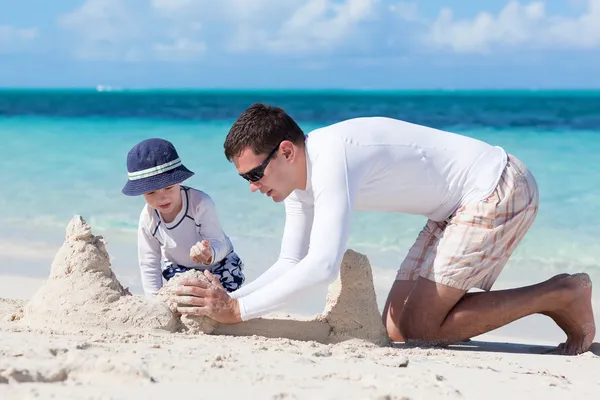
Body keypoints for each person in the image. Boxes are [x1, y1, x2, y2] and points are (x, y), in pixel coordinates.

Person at [172, 104, 595, 355]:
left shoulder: (332, 155)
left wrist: (236, 312)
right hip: (451, 207)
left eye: (256, 174)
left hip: (497, 186)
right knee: (395, 331)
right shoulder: (298, 184)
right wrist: (229, 300)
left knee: (425, 329)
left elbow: (321, 265)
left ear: (286, 151)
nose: (253, 187)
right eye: (246, 179)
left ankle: (561, 293)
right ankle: (557, 294)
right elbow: (290, 261)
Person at [122, 138, 245, 296]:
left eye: (168, 187)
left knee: (224, 297)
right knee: (181, 299)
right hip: (179, 269)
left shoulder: (200, 203)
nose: (162, 198)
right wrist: (154, 303)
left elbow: (219, 242)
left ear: (179, 181)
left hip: (220, 262)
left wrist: (209, 255)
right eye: (151, 192)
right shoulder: (148, 218)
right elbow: (149, 263)